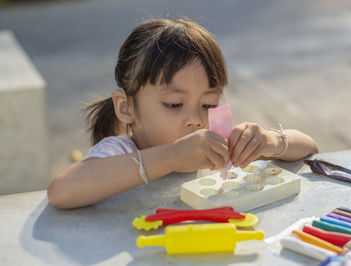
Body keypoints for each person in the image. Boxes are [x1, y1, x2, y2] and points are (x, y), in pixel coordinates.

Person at [47, 18, 318, 209]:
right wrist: (172, 157)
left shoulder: (217, 147)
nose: (196, 120)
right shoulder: (118, 153)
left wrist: (270, 141)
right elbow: (61, 191)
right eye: (175, 104)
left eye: (208, 104)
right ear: (126, 107)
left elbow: (308, 147)